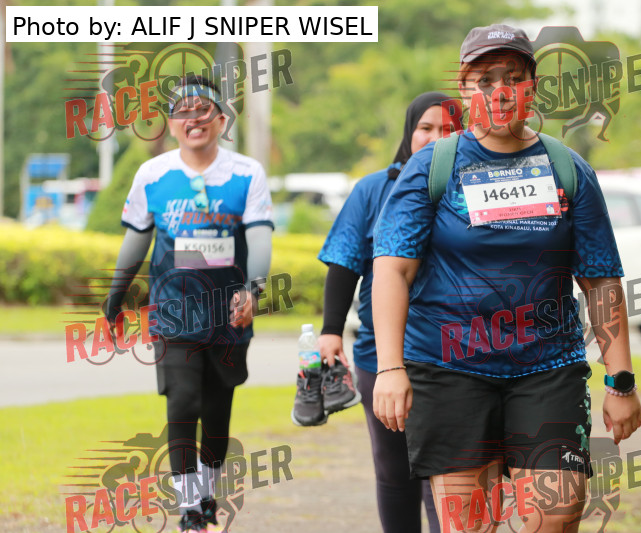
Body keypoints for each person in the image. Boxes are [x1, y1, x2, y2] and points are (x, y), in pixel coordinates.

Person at [371, 25, 641, 533]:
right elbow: (392, 269)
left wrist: (621, 380)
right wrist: (389, 368)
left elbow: (601, 280)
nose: (499, 92)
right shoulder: (433, 167)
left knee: (554, 515)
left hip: (547, 367)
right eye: (484, 80)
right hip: (448, 367)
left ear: (532, 88)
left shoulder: (567, 168)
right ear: (464, 91)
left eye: (513, 78)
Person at [105, 74, 273, 532]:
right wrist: (116, 296)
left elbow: (260, 237)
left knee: (217, 410)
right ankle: (189, 507)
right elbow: (137, 238)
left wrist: (253, 291)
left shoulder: (247, 174)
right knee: (182, 402)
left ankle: (207, 491)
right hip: (173, 311)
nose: (193, 119)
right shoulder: (153, 175)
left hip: (228, 315)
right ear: (171, 123)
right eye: (183, 112)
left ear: (221, 120)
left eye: (204, 110)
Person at [309, 92, 453, 533]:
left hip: (456, 357)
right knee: (393, 470)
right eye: (426, 128)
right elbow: (344, 261)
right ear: (410, 132)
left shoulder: (473, 190)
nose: (436, 138)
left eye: (449, 129)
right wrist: (331, 331)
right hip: (381, 355)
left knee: (445, 473)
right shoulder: (374, 189)